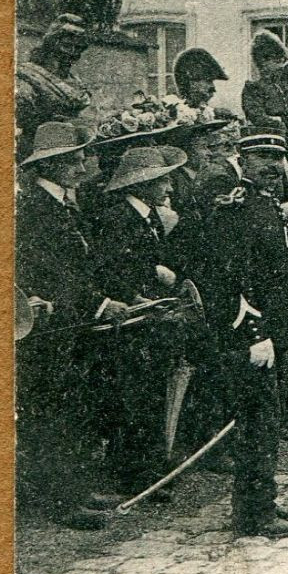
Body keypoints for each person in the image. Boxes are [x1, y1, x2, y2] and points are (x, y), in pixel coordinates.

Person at [198, 123, 288, 539]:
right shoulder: (235, 207)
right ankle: (254, 514)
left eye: (279, 158)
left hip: (272, 331)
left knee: (267, 421)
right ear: (243, 159)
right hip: (249, 336)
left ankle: (261, 502)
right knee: (257, 422)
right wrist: (254, 334)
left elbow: (278, 278)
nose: (274, 166)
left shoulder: (269, 205)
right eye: (264, 158)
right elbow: (228, 279)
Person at [15, 121, 128, 530]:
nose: (83, 166)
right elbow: (53, 273)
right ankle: (60, 500)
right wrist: (99, 304)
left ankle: (75, 489)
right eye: (77, 159)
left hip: (69, 323)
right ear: (56, 164)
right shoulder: (36, 209)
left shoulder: (61, 204)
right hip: (48, 327)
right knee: (51, 412)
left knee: (72, 407)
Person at [87, 143, 192, 500]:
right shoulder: (118, 217)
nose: (169, 188)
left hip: (148, 316)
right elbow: (109, 267)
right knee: (134, 396)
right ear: (143, 182)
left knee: (149, 392)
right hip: (131, 320)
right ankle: (136, 474)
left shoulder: (146, 216)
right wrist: (137, 297)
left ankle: (149, 468)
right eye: (163, 181)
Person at [15, 14, 94, 141]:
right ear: (51, 44)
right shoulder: (29, 76)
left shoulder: (75, 82)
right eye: (67, 45)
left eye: (79, 48)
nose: (72, 52)